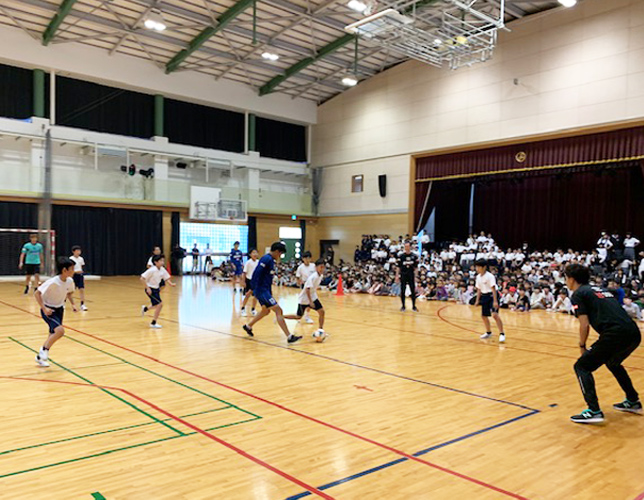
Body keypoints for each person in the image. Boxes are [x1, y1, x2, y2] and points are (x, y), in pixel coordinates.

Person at [565, 263, 642, 424]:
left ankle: (593, 410)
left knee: (582, 366)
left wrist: (582, 345)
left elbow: (584, 324)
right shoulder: (598, 289)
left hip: (615, 333)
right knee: (613, 363)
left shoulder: (578, 294)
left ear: (571, 279)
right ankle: (633, 400)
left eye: (566, 278)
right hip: (633, 332)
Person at [242, 242, 302, 343]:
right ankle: (289, 336)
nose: (280, 256)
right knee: (279, 310)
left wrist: (269, 293)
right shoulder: (267, 259)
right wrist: (252, 287)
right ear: (277, 251)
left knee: (266, 311)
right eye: (280, 254)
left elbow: (267, 278)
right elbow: (257, 272)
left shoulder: (270, 260)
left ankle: (248, 326)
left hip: (265, 290)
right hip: (261, 290)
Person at [34, 257, 77, 367]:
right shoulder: (52, 282)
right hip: (48, 310)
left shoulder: (70, 281)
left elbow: (69, 293)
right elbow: (37, 293)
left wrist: (73, 304)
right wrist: (44, 308)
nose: (74, 271)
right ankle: (44, 350)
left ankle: (40, 357)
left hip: (59, 309)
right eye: (72, 268)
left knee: (52, 334)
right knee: (60, 331)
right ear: (64, 270)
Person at [284, 259, 327, 336]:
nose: (322, 269)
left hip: (313, 296)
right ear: (316, 267)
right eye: (321, 267)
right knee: (298, 317)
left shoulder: (320, 276)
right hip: (304, 299)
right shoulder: (312, 277)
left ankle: (320, 329)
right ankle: (281, 317)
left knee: (322, 312)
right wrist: (310, 302)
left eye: (323, 267)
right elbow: (307, 289)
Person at [474, 259, 506, 342]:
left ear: (484, 267)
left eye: (478, 267)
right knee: (484, 315)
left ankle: (502, 333)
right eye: (476, 266)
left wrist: (495, 301)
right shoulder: (478, 277)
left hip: (492, 296)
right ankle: (488, 332)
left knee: (495, 315)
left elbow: (494, 289)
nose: (477, 268)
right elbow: (479, 290)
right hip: (484, 296)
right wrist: (477, 300)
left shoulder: (490, 276)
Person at [141, 255, 176, 329]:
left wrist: (171, 284)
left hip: (156, 289)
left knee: (156, 304)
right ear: (155, 262)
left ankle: (145, 309)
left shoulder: (162, 269)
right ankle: (153, 323)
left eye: (163, 260)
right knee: (160, 304)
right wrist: (147, 288)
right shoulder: (152, 270)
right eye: (160, 261)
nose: (162, 262)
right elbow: (142, 278)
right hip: (150, 289)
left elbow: (166, 278)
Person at [397, 241, 419, 312]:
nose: (406, 248)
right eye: (405, 246)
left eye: (408, 246)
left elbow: (416, 268)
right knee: (402, 291)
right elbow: (398, 267)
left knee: (413, 291)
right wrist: (397, 275)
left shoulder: (414, 256)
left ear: (410, 247)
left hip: (411, 275)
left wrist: (416, 276)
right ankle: (403, 306)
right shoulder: (401, 256)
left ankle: (414, 306)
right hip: (403, 275)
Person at [295, 251, 316, 324]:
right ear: (303, 259)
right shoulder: (300, 267)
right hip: (305, 285)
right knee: (302, 300)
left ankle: (307, 316)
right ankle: (299, 314)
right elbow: (297, 276)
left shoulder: (313, 266)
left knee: (310, 301)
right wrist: (299, 282)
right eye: (305, 258)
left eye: (308, 258)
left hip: (312, 285)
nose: (307, 260)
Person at [240, 248, 259, 317]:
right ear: (250, 254)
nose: (255, 254)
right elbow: (244, 273)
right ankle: (243, 308)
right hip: (249, 280)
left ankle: (253, 309)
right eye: (253, 253)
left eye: (256, 252)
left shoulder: (258, 262)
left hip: (256, 281)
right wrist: (243, 281)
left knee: (256, 296)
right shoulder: (248, 262)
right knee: (247, 295)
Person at [70, 245, 88, 311]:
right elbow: (70, 269)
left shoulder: (81, 259)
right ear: (73, 252)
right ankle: (63, 303)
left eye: (79, 251)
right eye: (77, 251)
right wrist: (75, 272)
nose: (78, 252)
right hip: (73, 276)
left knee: (81, 289)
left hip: (80, 276)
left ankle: (82, 304)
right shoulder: (71, 259)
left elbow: (82, 266)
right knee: (70, 291)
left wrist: (82, 272)